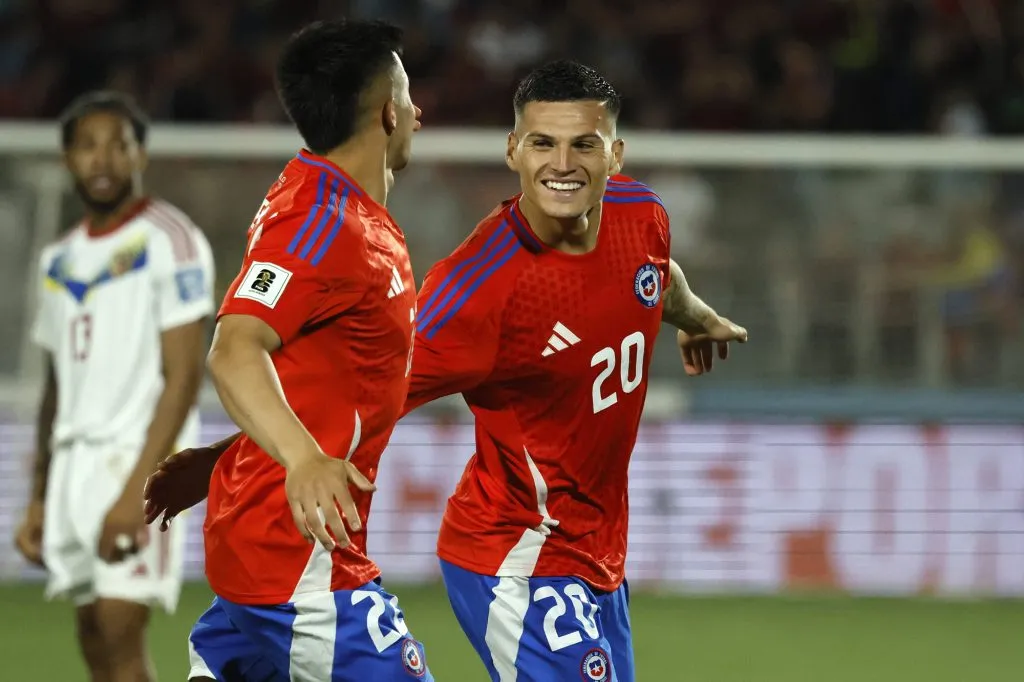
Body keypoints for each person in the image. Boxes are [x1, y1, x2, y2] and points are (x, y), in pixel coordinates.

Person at [144, 60, 745, 681]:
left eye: (583, 145)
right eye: (542, 143)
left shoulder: (640, 213)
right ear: (513, 151)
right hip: (518, 551)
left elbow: (656, 278)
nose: (562, 164)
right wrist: (231, 455)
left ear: (614, 156)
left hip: (597, 549)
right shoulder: (475, 293)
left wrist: (698, 318)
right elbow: (364, 399)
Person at [174, 19, 431, 682]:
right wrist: (301, 455)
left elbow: (310, 360)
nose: (419, 113)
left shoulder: (329, 200)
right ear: (387, 112)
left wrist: (245, 448)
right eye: (408, 97)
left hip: (270, 539)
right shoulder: (323, 223)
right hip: (298, 557)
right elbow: (234, 349)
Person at [13, 90, 215, 682]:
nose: (101, 159)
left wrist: (139, 491)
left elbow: (184, 376)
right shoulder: (60, 259)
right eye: (86, 146)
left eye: (117, 145)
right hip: (73, 467)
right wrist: (40, 493)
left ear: (140, 156)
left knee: (121, 633)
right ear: (68, 160)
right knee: (93, 638)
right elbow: (56, 387)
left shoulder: (170, 241)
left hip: (135, 459)